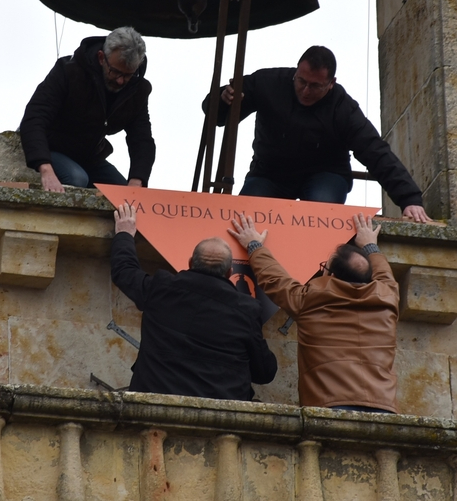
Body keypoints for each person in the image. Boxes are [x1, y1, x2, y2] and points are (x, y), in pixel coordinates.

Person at [205, 45, 431, 222]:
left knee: (321, 219)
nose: (305, 90)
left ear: (331, 83)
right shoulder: (267, 83)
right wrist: (223, 99)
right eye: (301, 81)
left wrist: (409, 199)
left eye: (315, 86)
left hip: (325, 175)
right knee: (244, 219)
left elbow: (375, 151)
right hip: (269, 174)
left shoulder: (343, 109)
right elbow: (217, 115)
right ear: (295, 72)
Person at [229, 212, 399, 412]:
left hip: (330, 406)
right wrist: (371, 246)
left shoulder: (309, 300)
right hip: (383, 408)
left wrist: (254, 246)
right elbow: (384, 275)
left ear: (331, 275)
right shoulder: (388, 297)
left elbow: (275, 280)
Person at [110, 202, 278, 400]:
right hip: (219, 415)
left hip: (155, 405)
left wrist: (124, 233)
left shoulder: (162, 288)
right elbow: (264, 373)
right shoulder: (247, 309)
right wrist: (255, 246)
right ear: (230, 272)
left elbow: (124, 271)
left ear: (191, 262)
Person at [20, 27, 155, 192]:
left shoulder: (137, 90)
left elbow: (142, 139)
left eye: (128, 75)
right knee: (77, 178)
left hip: (90, 158)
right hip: (50, 149)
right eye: (115, 72)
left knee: (123, 195)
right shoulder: (68, 70)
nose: (120, 81)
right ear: (101, 58)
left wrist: (137, 180)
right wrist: (45, 167)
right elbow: (35, 117)